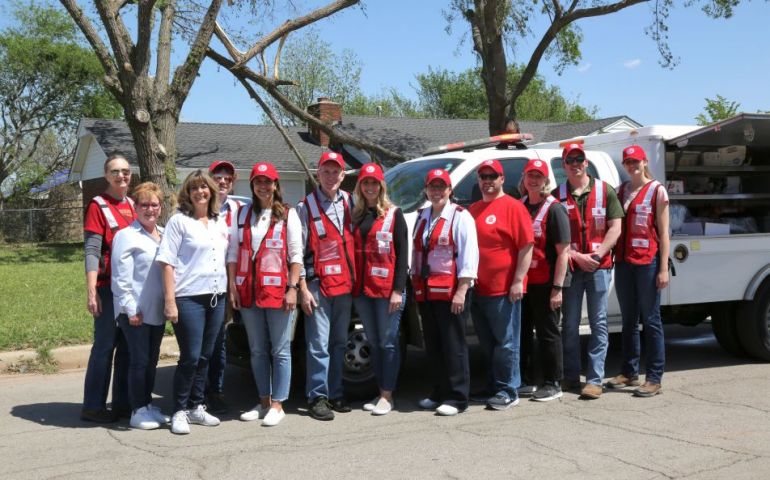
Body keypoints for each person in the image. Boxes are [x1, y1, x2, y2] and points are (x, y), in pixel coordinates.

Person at [227, 162, 302, 426]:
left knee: (280, 350)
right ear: (252, 185)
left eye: (267, 181)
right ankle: (263, 401)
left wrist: (292, 289)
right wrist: (233, 286)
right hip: (249, 291)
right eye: (258, 181)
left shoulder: (287, 214)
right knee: (257, 350)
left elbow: (296, 255)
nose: (263, 186)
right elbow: (234, 252)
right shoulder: (243, 213)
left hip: (278, 292)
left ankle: (279, 404)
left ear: (275, 185)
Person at [157, 170, 229, 434]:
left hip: (216, 297)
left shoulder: (219, 221)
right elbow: (166, 262)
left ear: (211, 191)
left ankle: (197, 406)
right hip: (188, 298)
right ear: (187, 193)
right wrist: (170, 301)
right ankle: (178, 409)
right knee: (190, 356)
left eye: (204, 187)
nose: (201, 192)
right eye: (194, 188)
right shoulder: (179, 221)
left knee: (206, 356)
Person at [555, 143, 623, 399]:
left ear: (586, 162)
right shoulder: (557, 194)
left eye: (579, 159)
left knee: (599, 324)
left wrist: (598, 254)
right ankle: (570, 376)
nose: (575, 163)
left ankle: (594, 380)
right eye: (569, 160)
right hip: (571, 268)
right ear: (564, 166)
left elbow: (615, 227)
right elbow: (553, 238)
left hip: (599, 267)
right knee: (569, 325)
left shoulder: (605, 191)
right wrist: (576, 256)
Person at [468, 159, 533, 411]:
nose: (487, 181)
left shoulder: (514, 207)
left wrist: (518, 281)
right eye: (483, 176)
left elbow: (526, 246)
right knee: (489, 343)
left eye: (492, 176)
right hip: (479, 289)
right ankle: (495, 384)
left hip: (504, 290)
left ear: (502, 179)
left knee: (507, 343)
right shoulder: (473, 210)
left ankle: (509, 389)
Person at [413, 169, 478, 416]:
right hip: (427, 292)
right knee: (435, 344)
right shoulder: (423, 216)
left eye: (442, 187)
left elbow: (469, 256)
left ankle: (458, 397)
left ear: (450, 190)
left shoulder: (461, 217)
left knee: (454, 345)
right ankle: (439, 392)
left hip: (452, 292)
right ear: (427, 190)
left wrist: (462, 290)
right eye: (432, 187)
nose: (437, 191)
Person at [297, 151, 356, 421]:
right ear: (317, 174)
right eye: (326, 171)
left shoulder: (351, 202)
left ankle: (335, 392)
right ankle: (317, 396)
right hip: (318, 285)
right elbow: (295, 251)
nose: (331, 176)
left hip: (344, 284)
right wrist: (302, 288)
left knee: (339, 343)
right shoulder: (305, 206)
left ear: (343, 175)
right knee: (318, 344)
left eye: (336, 172)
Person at [606, 145, 670, 397]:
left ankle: (654, 377)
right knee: (628, 320)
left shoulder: (657, 190)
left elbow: (664, 233)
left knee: (651, 320)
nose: (632, 166)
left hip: (648, 263)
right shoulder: (622, 190)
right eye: (628, 162)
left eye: (636, 161)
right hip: (624, 262)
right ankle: (629, 371)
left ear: (644, 162)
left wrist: (663, 267)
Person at [111, 182, 170, 429]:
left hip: (157, 311)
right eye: (144, 204)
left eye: (154, 204)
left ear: (161, 207)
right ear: (135, 207)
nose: (149, 209)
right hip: (135, 312)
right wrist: (130, 308)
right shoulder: (126, 236)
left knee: (151, 361)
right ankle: (136, 410)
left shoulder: (165, 234)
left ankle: (146, 405)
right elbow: (120, 278)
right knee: (139, 361)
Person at [351, 163, 408, 416]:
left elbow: (403, 254)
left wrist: (398, 290)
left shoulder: (394, 214)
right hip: (363, 291)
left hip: (387, 291)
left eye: (374, 183)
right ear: (360, 186)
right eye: (366, 183)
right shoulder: (356, 215)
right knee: (374, 342)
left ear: (381, 186)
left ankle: (388, 395)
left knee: (388, 342)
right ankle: (380, 393)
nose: (370, 187)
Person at [81, 154, 135, 423]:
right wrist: (92, 291)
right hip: (106, 288)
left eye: (125, 171)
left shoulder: (134, 205)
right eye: (115, 171)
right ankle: (93, 406)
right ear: (106, 175)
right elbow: (92, 250)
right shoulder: (98, 205)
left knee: (126, 347)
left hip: (130, 290)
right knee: (104, 346)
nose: (121, 176)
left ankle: (122, 404)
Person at [518, 159, 571, 402]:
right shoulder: (520, 205)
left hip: (546, 283)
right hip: (523, 283)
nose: (534, 180)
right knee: (523, 332)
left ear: (546, 180)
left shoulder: (555, 209)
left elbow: (563, 252)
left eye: (539, 176)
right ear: (524, 178)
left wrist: (557, 288)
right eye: (530, 175)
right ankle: (527, 380)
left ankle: (553, 382)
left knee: (548, 333)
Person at [205, 160, 243, 414]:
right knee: (201, 342)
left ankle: (215, 392)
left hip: (231, 285)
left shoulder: (241, 208)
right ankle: (196, 393)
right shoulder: (197, 207)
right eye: (218, 177)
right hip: (201, 284)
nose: (222, 182)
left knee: (219, 340)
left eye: (227, 178)